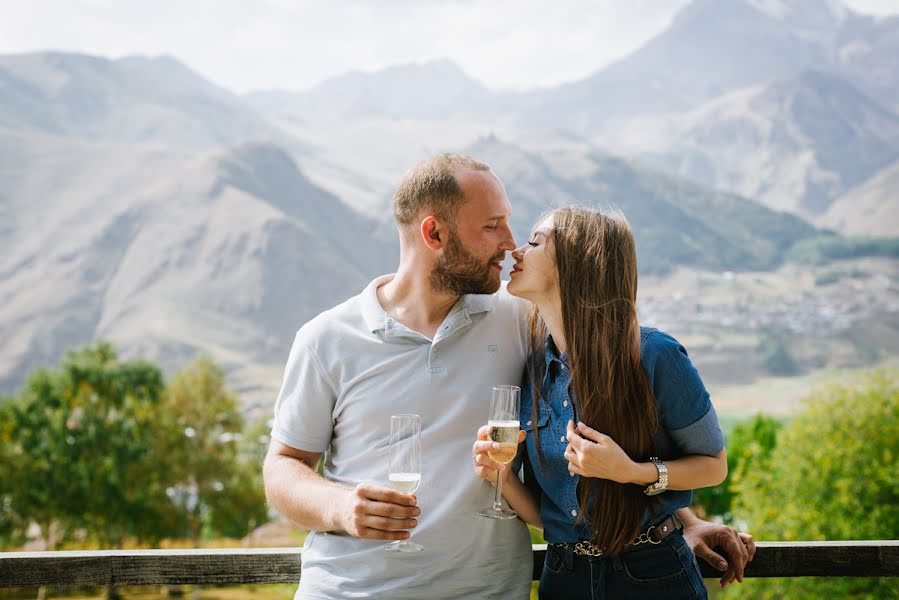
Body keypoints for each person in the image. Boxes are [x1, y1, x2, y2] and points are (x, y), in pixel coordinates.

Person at [264, 155, 755, 600]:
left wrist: (675, 521)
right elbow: (283, 467)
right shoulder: (326, 338)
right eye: (493, 225)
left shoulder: (523, 319)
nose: (509, 243)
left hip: (490, 591)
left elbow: (614, 411)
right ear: (434, 234)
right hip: (353, 591)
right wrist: (340, 507)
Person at [473, 207, 743, 599]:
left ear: (576, 262)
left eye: (535, 242)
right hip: (563, 578)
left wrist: (631, 472)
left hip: (653, 575)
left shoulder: (655, 355)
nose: (517, 250)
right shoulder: (533, 370)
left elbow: (713, 467)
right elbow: (550, 520)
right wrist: (501, 477)